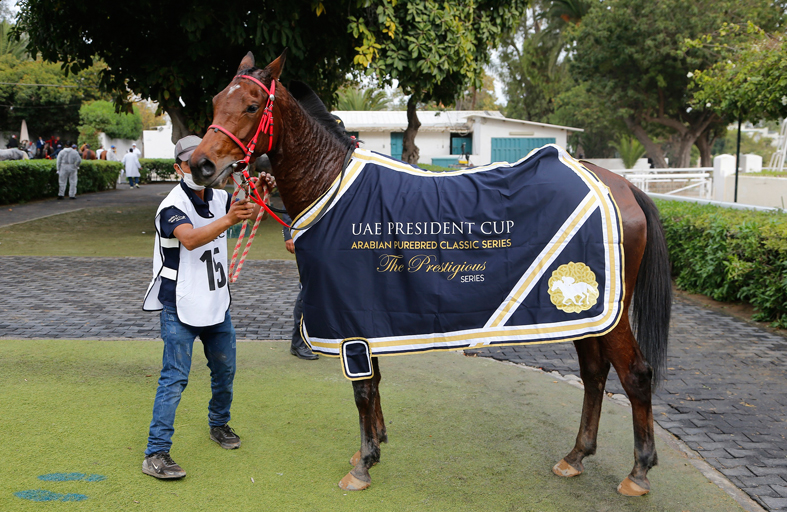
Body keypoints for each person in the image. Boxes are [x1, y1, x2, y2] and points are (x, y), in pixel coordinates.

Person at [141, 135, 264, 480]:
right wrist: (231, 219)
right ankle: (155, 452)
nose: (198, 167)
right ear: (178, 167)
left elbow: (248, 216)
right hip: (179, 305)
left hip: (215, 303)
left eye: (203, 160)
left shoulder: (222, 197)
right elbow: (191, 238)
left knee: (225, 371)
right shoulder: (171, 205)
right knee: (174, 379)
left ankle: (219, 424)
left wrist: (254, 200)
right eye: (189, 161)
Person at [281, 213, 318, 360]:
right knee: (309, 289)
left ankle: (326, 340)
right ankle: (299, 342)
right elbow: (290, 201)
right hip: (308, 236)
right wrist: (288, 234)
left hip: (332, 236)